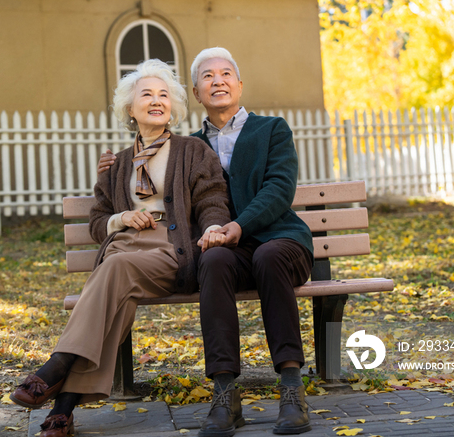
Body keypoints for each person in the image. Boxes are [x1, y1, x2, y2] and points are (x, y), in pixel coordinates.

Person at [98, 48, 314, 436]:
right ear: (196, 93)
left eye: (226, 73)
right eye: (208, 77)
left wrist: (238, 226)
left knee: (267, 255)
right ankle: (225, 393)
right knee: (212, 263)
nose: (219, 81)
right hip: (227, 251)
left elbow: (279, 189)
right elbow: (150, 166)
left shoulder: (271, 129)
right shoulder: (189, 147)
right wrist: (116, 166)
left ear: (240, 84)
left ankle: (291, 386)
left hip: (280, 241)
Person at [10, 59, 231, 437]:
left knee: (114, 270)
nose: (156, 101)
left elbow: (213, 200)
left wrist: (213, 229)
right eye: (147, 94)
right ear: (131, 108)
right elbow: (98, 221)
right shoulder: (116, 163)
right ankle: (63, 411)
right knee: (117, 299)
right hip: (125, 250)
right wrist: (122, 219)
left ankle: (55, 367)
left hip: (168, 250)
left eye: (164, 95)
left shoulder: (193, 151)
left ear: (174, 108)